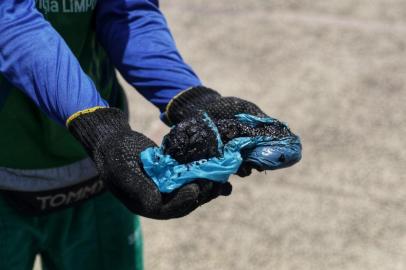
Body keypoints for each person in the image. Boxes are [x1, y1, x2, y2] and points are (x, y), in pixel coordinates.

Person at [0, 1, 280, 269]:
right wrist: (97, 126)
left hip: (99, 174)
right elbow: (10, 21)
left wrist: (186, 96)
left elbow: (127, 11)